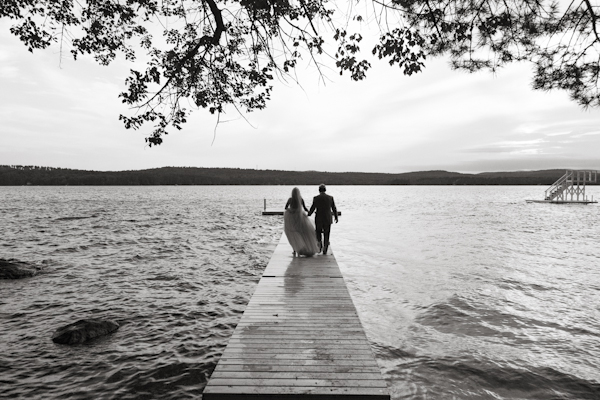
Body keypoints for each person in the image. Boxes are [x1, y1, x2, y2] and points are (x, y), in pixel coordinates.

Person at [284, 187, 319, 257]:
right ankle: (301, 247)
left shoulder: (290, 199)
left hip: (291, 217)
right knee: (301, 232)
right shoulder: (300, 199)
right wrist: (309, 212)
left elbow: (286, 207)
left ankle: (294, 249)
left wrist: (291, 210)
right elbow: (305, 208)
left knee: (293, 232)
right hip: (299, 217)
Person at [308, 184, 338, 255]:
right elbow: (334, 208)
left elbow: (313, 208)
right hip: (327, 218)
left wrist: (308, 214)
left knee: (318, 231)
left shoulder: (316, 198)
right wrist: (336, 217)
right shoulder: (330, 198)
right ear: (325, 190)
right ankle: (325, 249)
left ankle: (320, 243)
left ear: (319, 190)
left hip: (319, 218)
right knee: (327, 233)